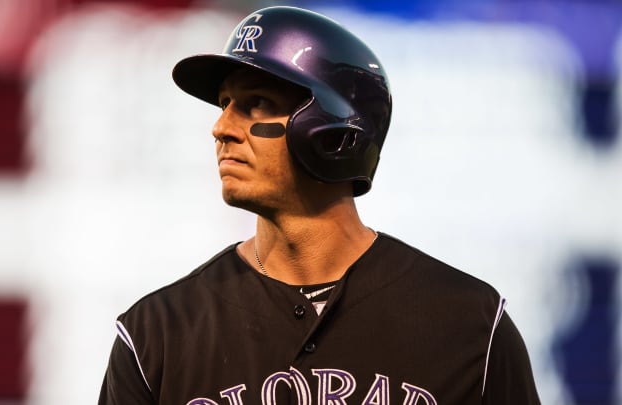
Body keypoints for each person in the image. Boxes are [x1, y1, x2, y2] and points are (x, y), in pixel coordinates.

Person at [98, 6, 540, 404]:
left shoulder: (470, 327)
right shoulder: (156, 335)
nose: (221, 127)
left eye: (256, 104)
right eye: (225, 104)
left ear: (332, 130)